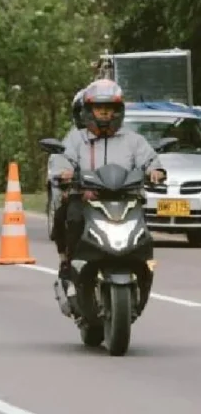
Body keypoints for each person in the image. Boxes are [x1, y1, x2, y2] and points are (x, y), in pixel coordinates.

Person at [50, 79, 164, 281]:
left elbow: (149, 159)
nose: (103, 113)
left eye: (108, 109)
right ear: (88, 111)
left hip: (126, 199)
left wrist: (155, 170)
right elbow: (62, 158)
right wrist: (64, 173)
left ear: (117, 111)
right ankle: (69, 263)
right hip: (86, 198)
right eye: (98, 108)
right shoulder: (76, 138)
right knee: (69, 217)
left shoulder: (132, 139)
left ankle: (143, 267)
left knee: (144, 233)